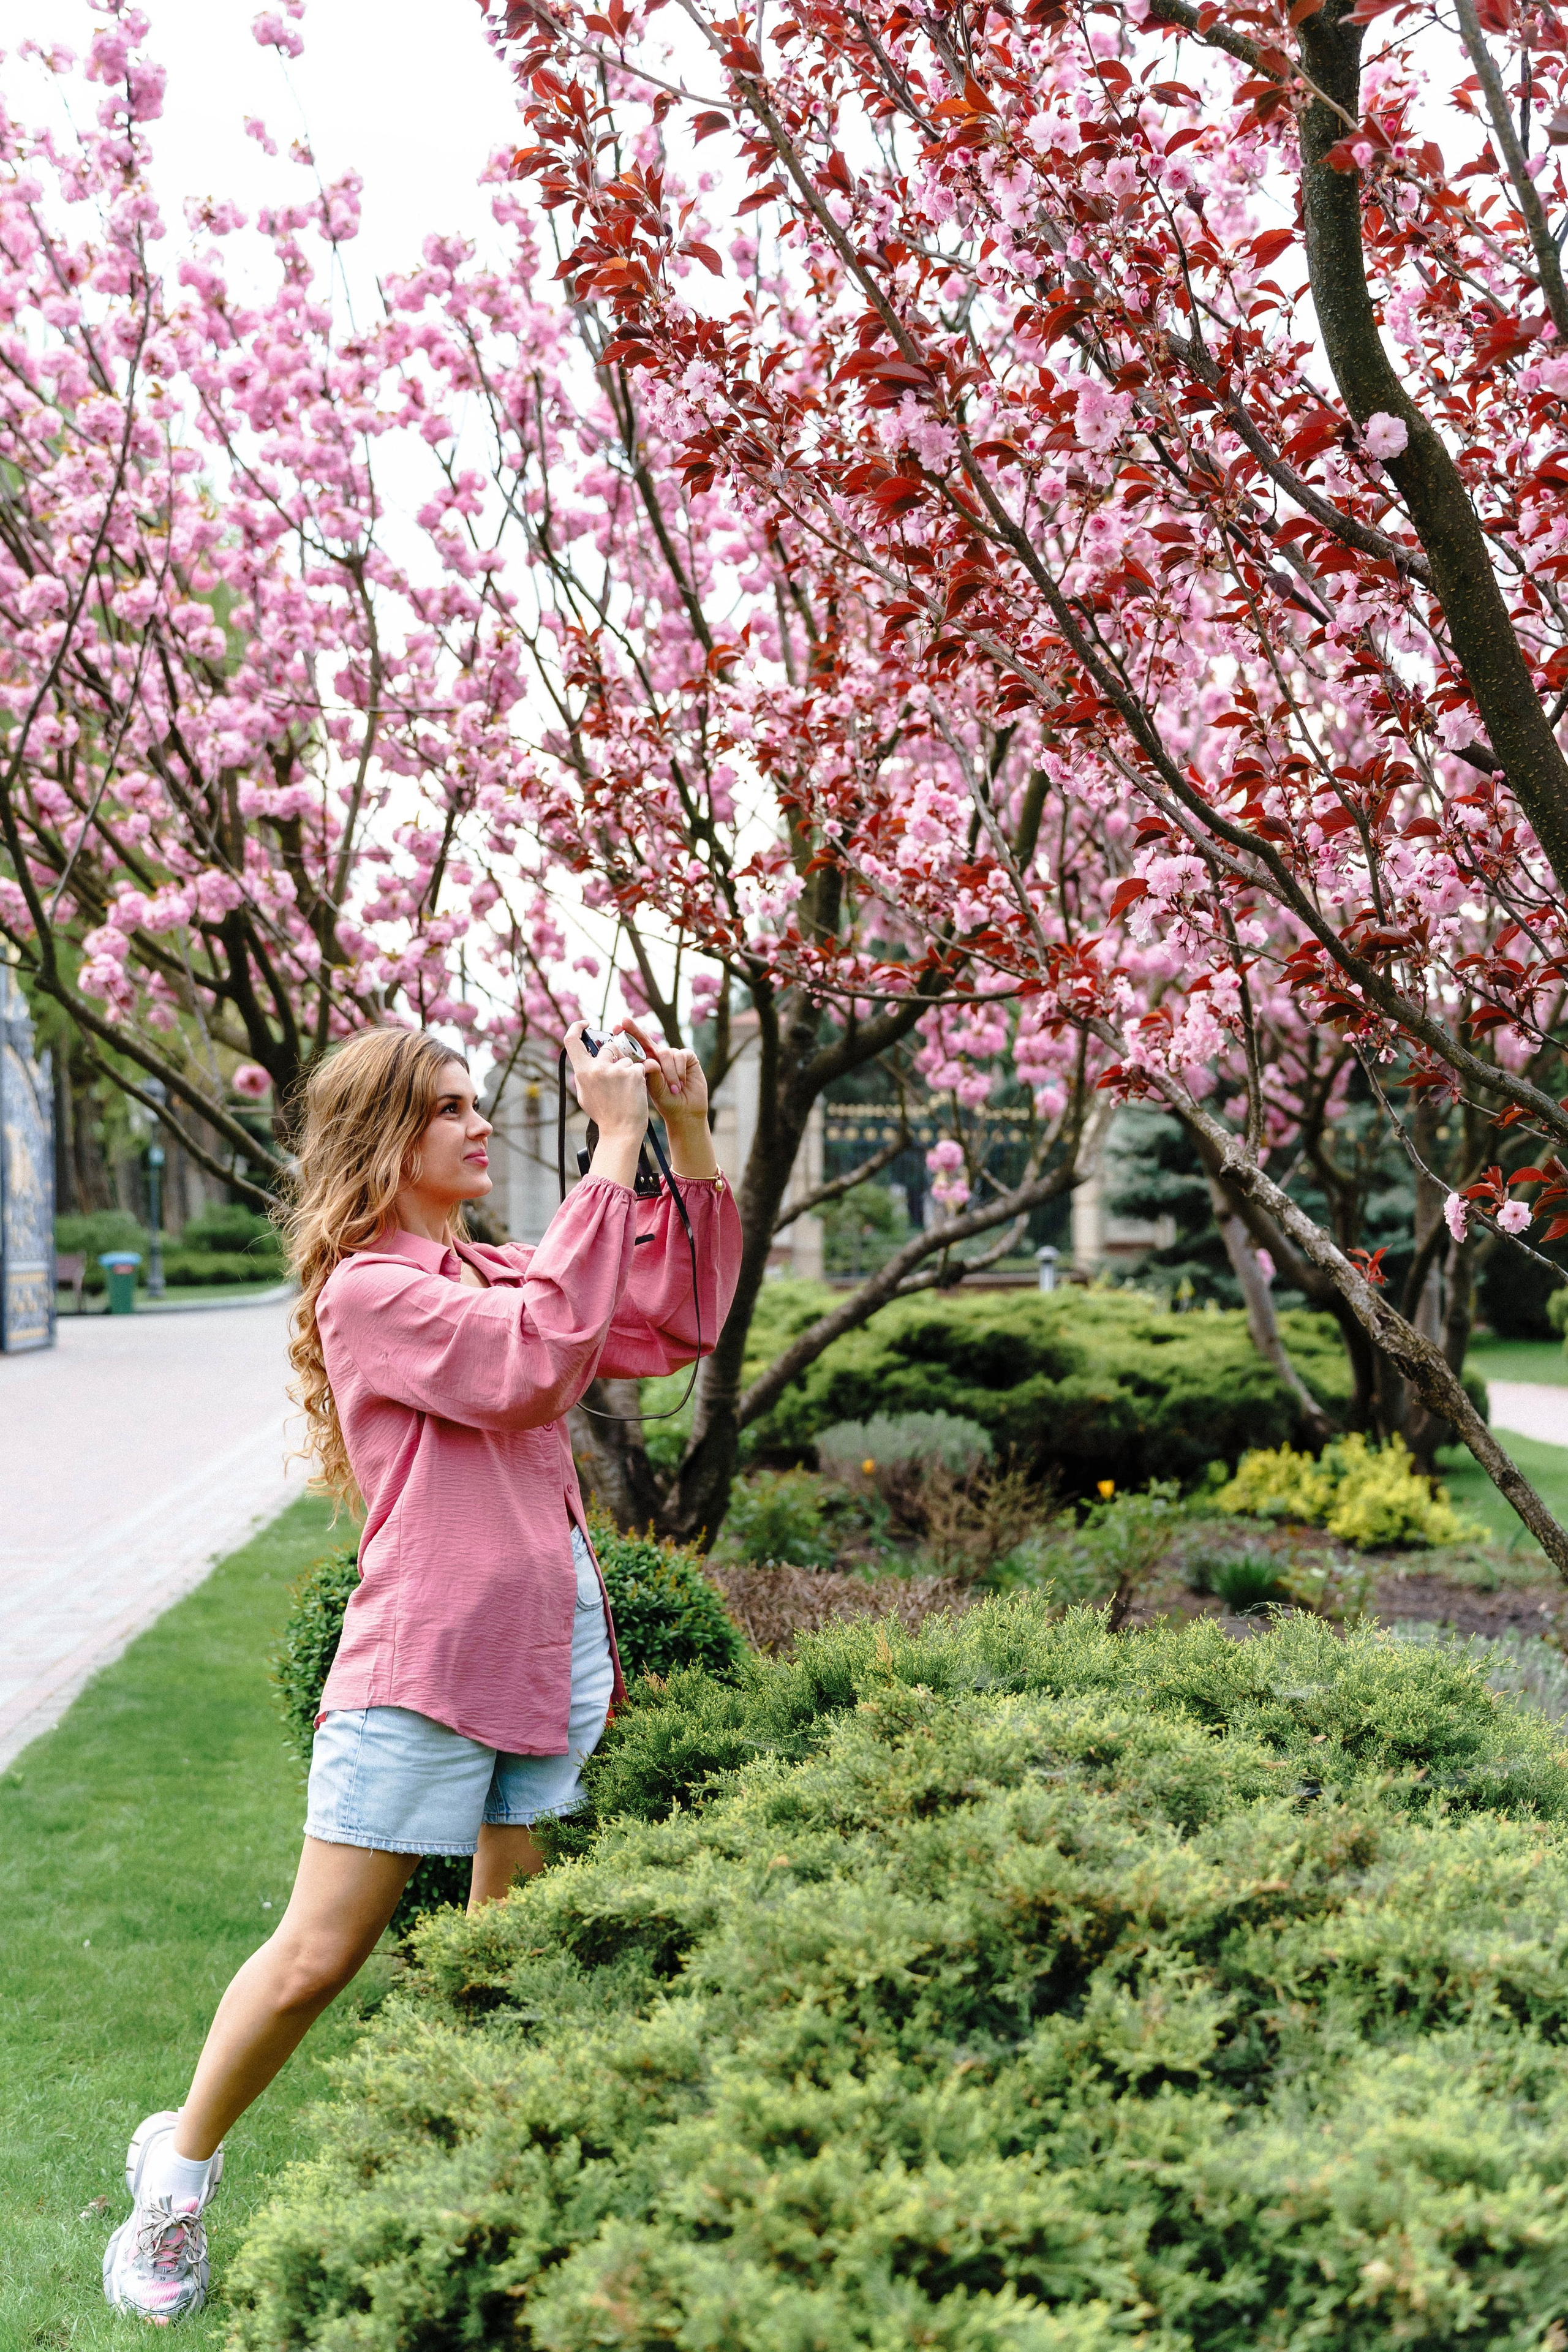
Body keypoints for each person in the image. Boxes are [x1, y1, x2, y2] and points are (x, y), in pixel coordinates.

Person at [103, 1018, 741, 2323]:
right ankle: (175, 2175)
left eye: (472, 1101)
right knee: (320, 1953)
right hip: (424, 1665)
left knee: (500, 1944)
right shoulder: (370, 1293)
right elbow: (533, 1363)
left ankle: (469, 2168)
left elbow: (671, 1320)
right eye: (447, 1107)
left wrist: (681, 1136)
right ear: (382, 1139)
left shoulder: (492, 1269)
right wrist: (612, 1143)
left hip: (545, 1646)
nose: (476, 1123)